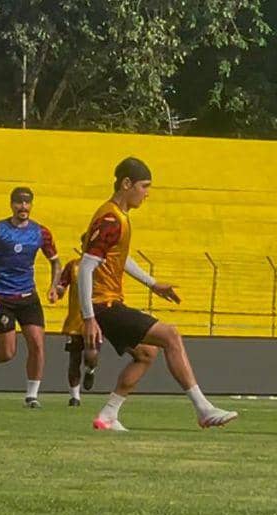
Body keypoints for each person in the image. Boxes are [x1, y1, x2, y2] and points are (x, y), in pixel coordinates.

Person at [79, 157, 236, 431]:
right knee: (171, 335)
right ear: (127, 184)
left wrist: (152, 283)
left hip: (107, 304)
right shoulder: (110, 218)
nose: (147, 193)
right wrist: (89, 318)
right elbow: (85, 267)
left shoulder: (117, 217)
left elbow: (118, 258)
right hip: (104, 305)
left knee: (146, 353)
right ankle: (203, 409)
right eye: (144, 186)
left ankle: (108, 415)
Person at [0, 187, 61, 408]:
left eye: (27, 202)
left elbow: (56, 262)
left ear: (32, 204)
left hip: (28, 295)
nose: (23, 207)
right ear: (11, 204)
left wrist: (53, 286)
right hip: (1, 297)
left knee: (38, 345)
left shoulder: (41, 232)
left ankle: (32, 396)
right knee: (8, 352)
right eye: (19, 203)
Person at [55, 234, 99, 407]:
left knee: (92, 355)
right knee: (74, 359)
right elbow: (62, 285)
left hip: (95, 321)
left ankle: (91, 369)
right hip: (75, 320)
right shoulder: (73, 266)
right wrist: (57, 291)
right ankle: (75, 397)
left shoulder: (102, 267)